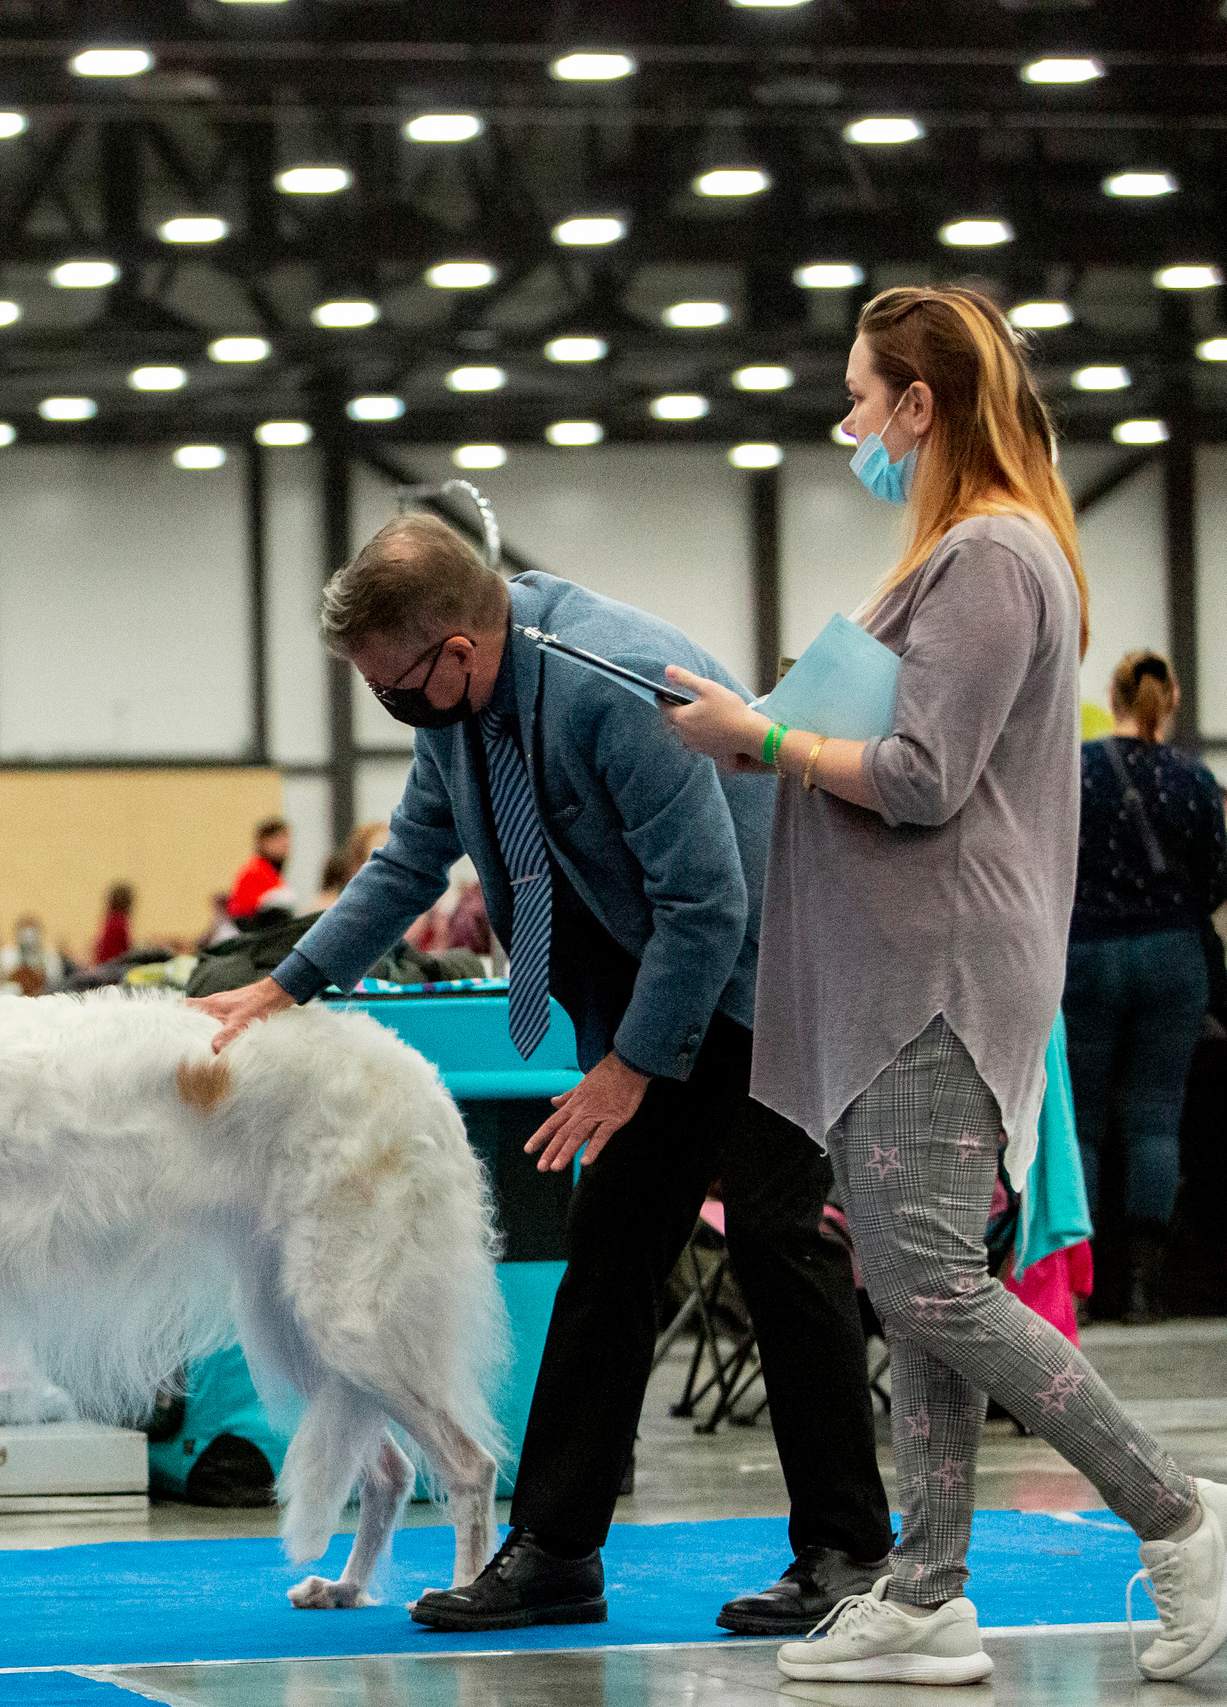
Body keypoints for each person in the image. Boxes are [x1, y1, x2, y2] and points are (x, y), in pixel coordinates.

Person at [191, 510, 896, 1640]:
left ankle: (851, 1550)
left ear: (457, 651)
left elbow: (711, 903)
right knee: (610, 1250)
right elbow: (410, 860)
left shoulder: (613, 685)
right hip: (655, 977)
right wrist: (286, 985)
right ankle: (558, 1551)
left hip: (775, 969)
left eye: (395, 682)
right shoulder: (461, 708)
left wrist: (628, 1069)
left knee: (778, 1240)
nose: (391, 702)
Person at [664, 285, 1224, 1685]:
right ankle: (925, 1589)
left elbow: (922, 777)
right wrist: (774, 733)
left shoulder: (987, 556)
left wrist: (766, 738)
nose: (850, 421)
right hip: (908, 969)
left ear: (921, 406)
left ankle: (1185, 1514)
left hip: (938, 971)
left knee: (928, 1282)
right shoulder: (980, 552)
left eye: (864, 395)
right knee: (920, 1277)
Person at [1066, 650, 1227, 1323]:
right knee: (1156, 1118)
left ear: (1114, 694)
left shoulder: (1077, 769)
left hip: (1088, 952)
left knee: (1086, 1122)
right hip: (1170, 957)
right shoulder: (1195, 778)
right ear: (1173, 699)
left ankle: (1088, 1286)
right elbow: (1217, 877)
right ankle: (1143, 1288)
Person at [227, 818, 292, 924]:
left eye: (286, 839)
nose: (285, 845)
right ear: (265, 842)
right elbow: (249, 910)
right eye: (279, 839)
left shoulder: (273, 871)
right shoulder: (255, 870)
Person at [94, 882, 134, 965]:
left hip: (106, 966)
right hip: (113, 967)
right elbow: (125, 951)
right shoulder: (120, 922)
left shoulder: (109, 920)